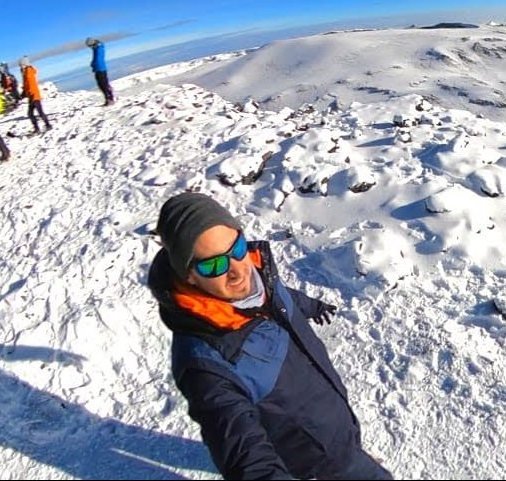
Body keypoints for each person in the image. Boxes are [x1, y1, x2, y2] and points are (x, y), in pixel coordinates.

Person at [148, 193, 391, 481]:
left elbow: (279, 297)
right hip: (313, 454)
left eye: (237, 248)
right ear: (188, 275)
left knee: (348, 446)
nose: (237, 270)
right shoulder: (205, 365)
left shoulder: (257, 276)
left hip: (329, 419)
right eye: (213, 266)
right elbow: (247, 458)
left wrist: (311, 306)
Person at [19, 56, 52, 133]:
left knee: (36, 113)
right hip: (32, 96)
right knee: (32, 113)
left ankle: (46, 126)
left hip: (34, 96)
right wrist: (23, 94)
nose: (20, 67)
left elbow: (31, 84)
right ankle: (41, 127)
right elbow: (26, 85)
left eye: (21, 65)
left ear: (24, 64)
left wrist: (30, 93)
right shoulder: (26, 72)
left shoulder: (28, 71)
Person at [86, 37, 115, 105]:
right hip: (101, 68)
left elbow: (97, 59)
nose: (90, 47)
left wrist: (93, 64)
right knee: (104, 84)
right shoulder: (98, 47)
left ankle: (109, 99)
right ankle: (109, 98)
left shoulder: (98, 48)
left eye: (90, 45)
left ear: (92, 43)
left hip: (99, 68)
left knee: (102, 85)